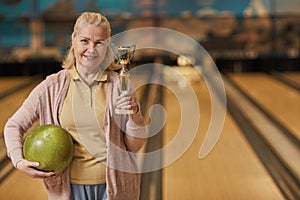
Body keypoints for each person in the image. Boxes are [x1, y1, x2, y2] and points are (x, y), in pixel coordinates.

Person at [4, 12, 146, 200]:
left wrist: (135, 115)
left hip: (114, 188)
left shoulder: (119, 85)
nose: (91, 49)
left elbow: (134, 146)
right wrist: (18, 160)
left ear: (108, 46)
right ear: (74, 40)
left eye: (99, 42)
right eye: (85, 41)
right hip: (69, 190)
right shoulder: (52, 86)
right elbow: (14, 125)